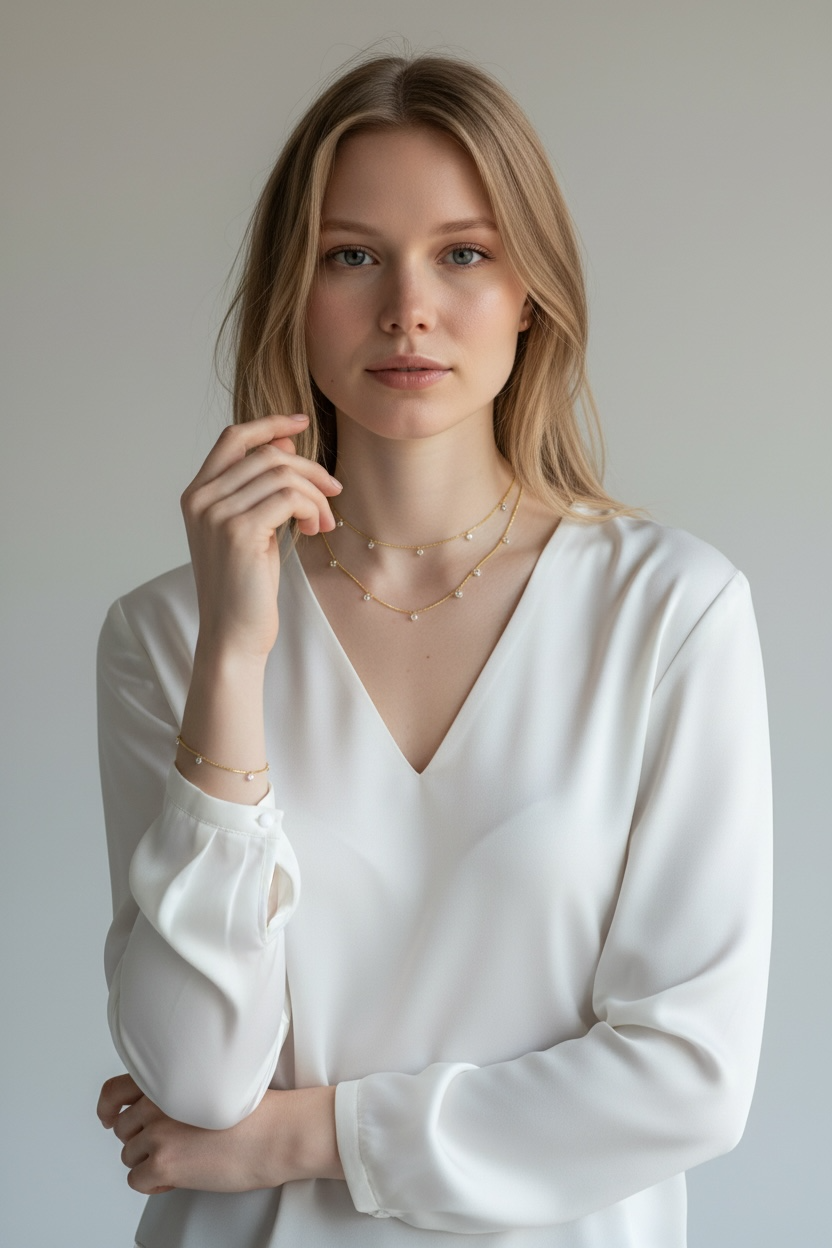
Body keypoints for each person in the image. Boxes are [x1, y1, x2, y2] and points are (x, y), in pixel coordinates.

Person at [95, 51, 772, 1248]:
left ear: (530, 292)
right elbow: (194, 1080)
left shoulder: (671, 611)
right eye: (351, 255)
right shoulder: (169, 635)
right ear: (290, 294)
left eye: (463, 252)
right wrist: (236, 657)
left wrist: (295, 1137)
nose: (408, 306)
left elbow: (688, 1077)